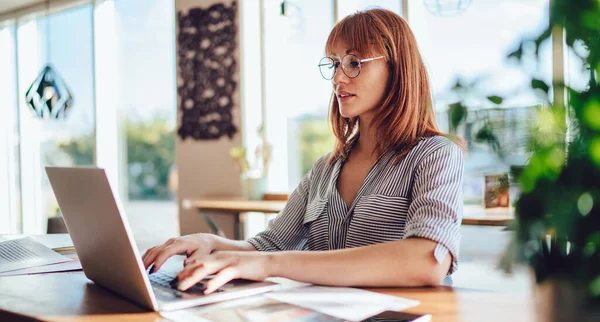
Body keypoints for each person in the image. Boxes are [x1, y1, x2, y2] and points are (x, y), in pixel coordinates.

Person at [143, 8, 465, 294]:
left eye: (354, 63)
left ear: (397, 69)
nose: (338, 78)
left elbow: (429, 260)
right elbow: (269, 246)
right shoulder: (325, 168)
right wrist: (212, 243)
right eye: (335, 63)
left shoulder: (435, 155)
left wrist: (271, 264)